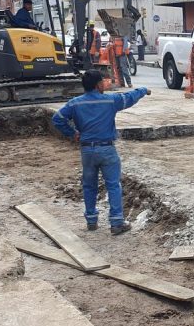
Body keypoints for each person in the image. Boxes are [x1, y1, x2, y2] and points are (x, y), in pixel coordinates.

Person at [51, 70, 151, 235]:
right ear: (98, 85)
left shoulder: (75, 103)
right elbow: (129, 97)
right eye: (103, 82)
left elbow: (57, 119)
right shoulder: (110, 100)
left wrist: (72, 133)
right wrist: (143, 90)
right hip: (107, 149)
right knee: (113, 184)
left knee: (89, 185)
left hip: (87, 150)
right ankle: (117, 223)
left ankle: (91, 221)